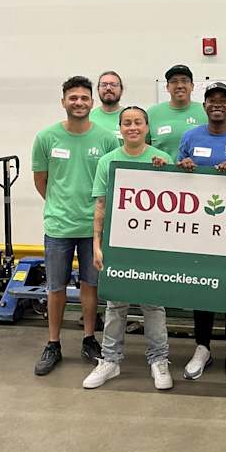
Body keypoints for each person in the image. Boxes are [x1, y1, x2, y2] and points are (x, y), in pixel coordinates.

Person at [32, 76, 119, 375]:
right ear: (63, 102)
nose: (79, 102)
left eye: (84, 98)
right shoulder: (46, 137)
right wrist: (60, 206)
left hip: (93, 229)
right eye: (73, 98)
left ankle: (89, 339)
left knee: (90, 286)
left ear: (92, 102)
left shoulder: (106, 139)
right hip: (58, 227)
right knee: (55, 287)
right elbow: (41, 181)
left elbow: (112, 181)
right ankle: (53, 343)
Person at [83, 106, 174, 391]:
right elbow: (101, 205)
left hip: (153, 244)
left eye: (138, 122)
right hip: (117, 243)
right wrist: (96, 245)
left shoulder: (162, 159)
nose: (132, 127)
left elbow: (175, 205)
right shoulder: (108, 161)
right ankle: (110, 361)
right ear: (120, 128)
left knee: (153, 304)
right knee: (115, 304)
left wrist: (165, 173)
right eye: (127, 123)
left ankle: (159, 360)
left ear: (147, 127)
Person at [173, 82, 226, 382]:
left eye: (223, 100)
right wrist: (184, 166)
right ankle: (202, 346)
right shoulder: (190, 136)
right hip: (199, 226)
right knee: (202, 283)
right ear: (204, 106)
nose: (217, 104)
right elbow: (176, 176)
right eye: (211, 100)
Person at [147, 64, 207, 161]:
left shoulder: (206, 111)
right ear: (167, 87)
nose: (179, 86)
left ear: (192, 86)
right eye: (174, 82)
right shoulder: (152, 113)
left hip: (198, 170)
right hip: (161, 170)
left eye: (184, 81)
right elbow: (143, 148)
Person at [89, 70, 124, 143]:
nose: (108, 88)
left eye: (113, 84)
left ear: (121, 90)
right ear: (98, 90)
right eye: (104, 85)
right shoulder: (89, 119)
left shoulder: (130, 117)